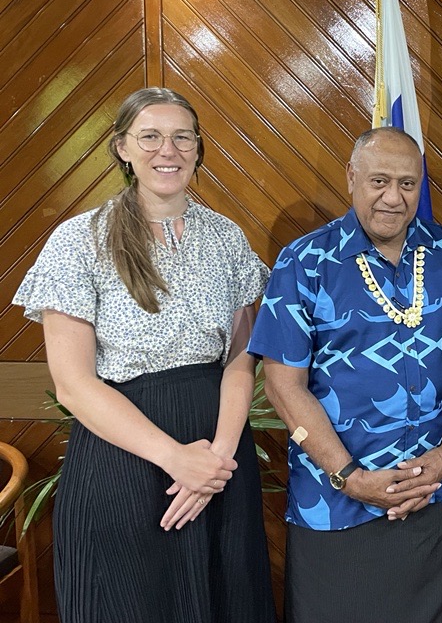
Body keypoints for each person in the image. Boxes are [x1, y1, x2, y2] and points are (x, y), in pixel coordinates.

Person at [13, 88, 275, 623]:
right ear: (122, 149)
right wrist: (177, 459)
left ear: (199, 149)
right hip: (124, 460)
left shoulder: (226, 237)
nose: (168, 150)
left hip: (219, 457)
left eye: (182, 137)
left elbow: (242, 358)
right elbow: (74, 385)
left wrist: (217, 460)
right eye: (150, 136)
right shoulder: (78, 240)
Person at [248, 126, 442, 623]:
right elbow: (282, 385)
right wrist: (350, 477)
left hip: (438, 495)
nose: (393, 197)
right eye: (379, 181)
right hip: (336, 507)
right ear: (352, 179)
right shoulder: (304, 262)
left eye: (408, 184)